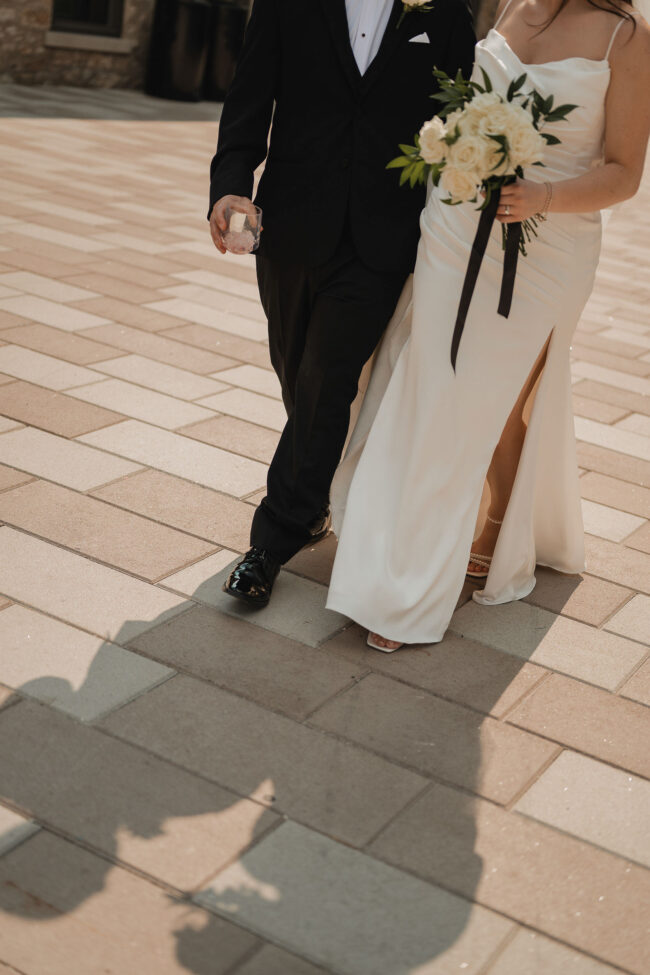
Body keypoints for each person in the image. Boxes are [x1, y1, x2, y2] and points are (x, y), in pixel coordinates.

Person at [326, 0, 650, 650]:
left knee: (483, 399)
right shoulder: (506, 4)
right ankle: (391, 558)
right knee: (428, 385)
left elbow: (625, 172)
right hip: (452, 223)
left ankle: (417, 581)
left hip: (547, 245)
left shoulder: (628, 37)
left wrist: (544, 197)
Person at [208, 0, 476, 606]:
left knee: (325, 377)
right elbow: (249, 97)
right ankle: (314, 496)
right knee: (295, 368)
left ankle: (272, 540)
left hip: (382, 237)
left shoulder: (446, 14)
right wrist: (230, 187)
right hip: (291, 223)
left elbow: (462, 124)